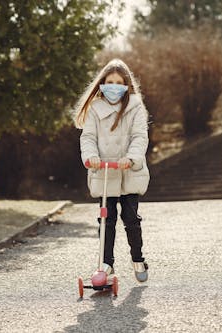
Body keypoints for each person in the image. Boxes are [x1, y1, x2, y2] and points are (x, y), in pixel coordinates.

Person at [74, 58, 150, 282]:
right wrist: (91, 157)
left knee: (131, 218)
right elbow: (88, 137)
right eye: (110, 82)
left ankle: (138, 258)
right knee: (106, 219)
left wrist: (132, 158)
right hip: (105, 172)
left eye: (119, 82)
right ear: (102, 84)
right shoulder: (95, 110)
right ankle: (106, 263)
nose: (114, 86)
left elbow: (139, 136)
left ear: (126, 85)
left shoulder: (135, 107)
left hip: (128, 172)